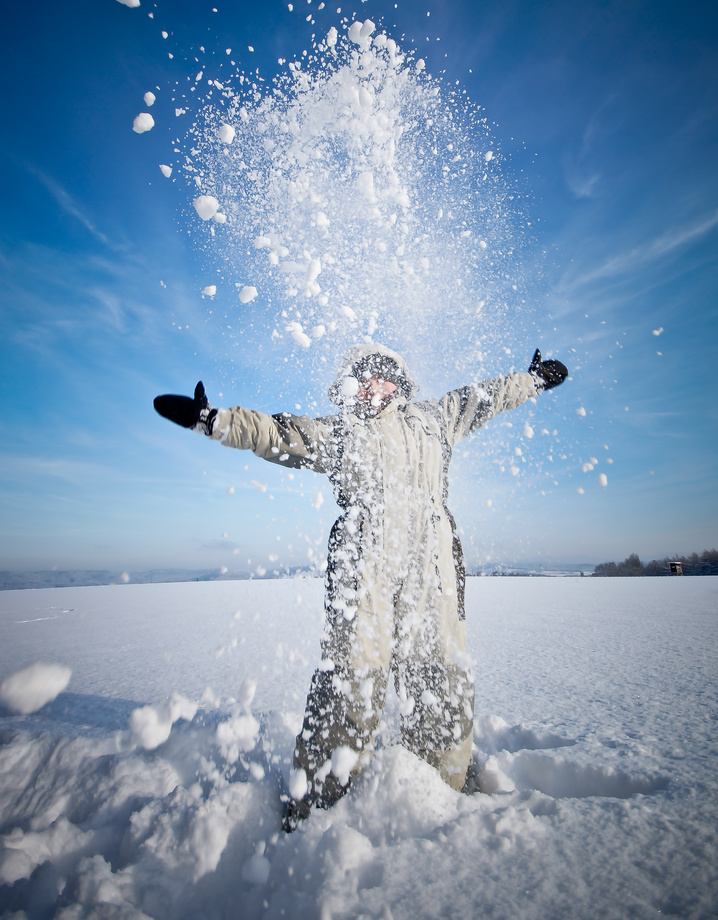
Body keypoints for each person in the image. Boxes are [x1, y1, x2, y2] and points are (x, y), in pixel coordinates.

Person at [154, 344, 567, 829]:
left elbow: (490, 396)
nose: (366, 386)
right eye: (359, 379)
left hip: (431, 565)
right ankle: (317, 803)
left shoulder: (437, 419)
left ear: (397, 381)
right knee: (353, 678)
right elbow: (278, 433)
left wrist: (534, 379)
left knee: (441, 676)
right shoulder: (343, 433)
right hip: (363, 564)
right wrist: (214, 420)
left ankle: (442, 790)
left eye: (375, 377)